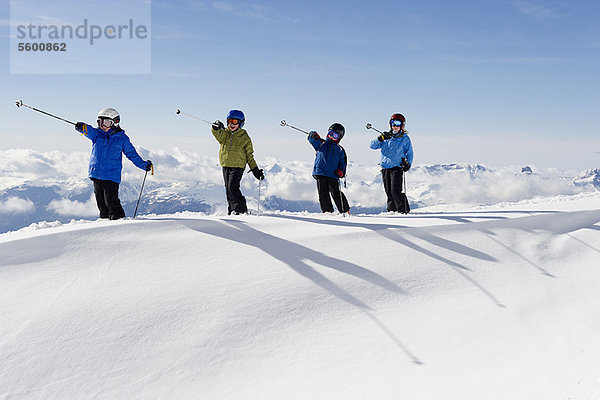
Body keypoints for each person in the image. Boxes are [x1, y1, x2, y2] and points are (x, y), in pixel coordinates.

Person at [75, 108, 152, 220]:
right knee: (101, 205)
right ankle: (105, 224)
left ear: (114, 123)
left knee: (111, 202)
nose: (102, 125)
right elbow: (89, 130)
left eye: (105, 122)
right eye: (100, 122)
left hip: (111, 176)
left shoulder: (121, 138)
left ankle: (119, 222)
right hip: (96, 174)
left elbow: (131, 154)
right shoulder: (97, 134)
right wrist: (82, 127)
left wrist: (144, 165)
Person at [211, 110, 264, 215]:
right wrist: (215, 127)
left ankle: (240, 209)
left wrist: (255, 170)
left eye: (234, 121)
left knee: (232, 187)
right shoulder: (225, 134)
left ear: (241, 123)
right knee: (228, 189)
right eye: (229, 121)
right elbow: (217, 134)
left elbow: (249, 155)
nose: (231, 124)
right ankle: (232, 210)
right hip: (226, 164)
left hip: (238, 166)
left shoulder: (244, 137)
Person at [369, 113, 414, 213]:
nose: (395, 126)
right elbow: (372, 146)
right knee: (388, 192)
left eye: (397, 123)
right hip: (385, 167)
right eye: (393, 123)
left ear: (402, 125)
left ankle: (404, 211)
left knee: (395, 191)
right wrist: (380, 138)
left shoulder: (404, 138)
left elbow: (410, 153)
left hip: (397, 167)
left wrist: (408, 163)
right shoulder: (386, 137)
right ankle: (392, 212)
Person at [307, 123, 350, 214]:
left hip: (332, 174)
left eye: (334, 135)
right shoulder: (321, 144)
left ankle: (345, 210)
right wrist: (313, 134)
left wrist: (341, 172)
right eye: (330, 133)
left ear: (339, 137)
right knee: (323, 194)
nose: (331, 136)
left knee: (336, 193)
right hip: (320, 173)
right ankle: (327, 212)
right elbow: (311, 140)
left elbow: (343, 163)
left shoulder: (340, 149)